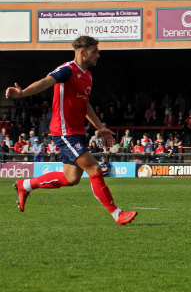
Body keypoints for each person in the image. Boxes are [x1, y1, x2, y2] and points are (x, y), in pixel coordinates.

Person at [6, 35, 137, 225]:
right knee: (94, 168)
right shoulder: (67, 70)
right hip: (64, 131)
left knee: (71, 178)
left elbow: (85, 105)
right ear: (83, 52)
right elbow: (46, 81)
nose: (98, 55)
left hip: (76, 132)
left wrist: (100, 127)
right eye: (95, 51)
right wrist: (23, 93)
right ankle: (117, 214)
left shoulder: (88, 76)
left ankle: (25, 185)